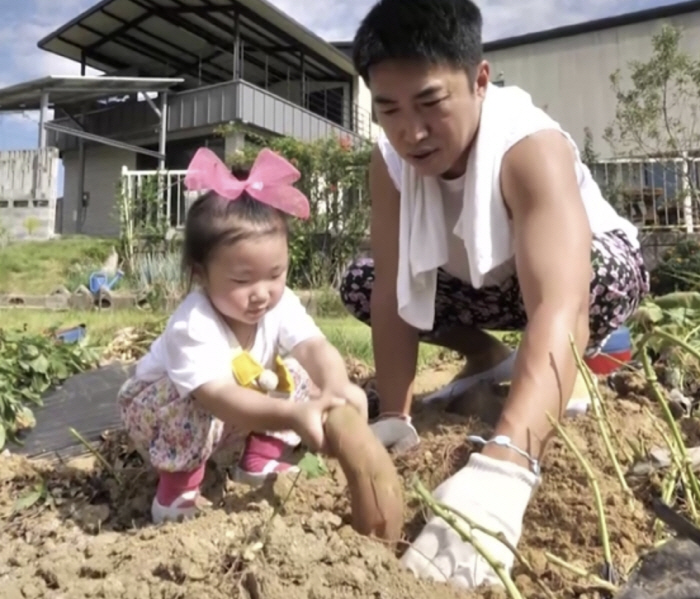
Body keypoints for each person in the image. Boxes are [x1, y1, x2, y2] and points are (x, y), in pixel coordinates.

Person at [341, 0, 649, 590]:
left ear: (480, 80)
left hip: (576, 280)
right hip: (486, 289)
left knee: (593, 281)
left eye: (431, 102)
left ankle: (576, 362)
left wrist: (505, 465)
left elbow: (561, 303)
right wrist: (394, 419)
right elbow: (394, 286)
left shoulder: (528, 145)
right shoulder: (389, 164)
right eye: (389, 110)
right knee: (362, 279)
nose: (411, 131)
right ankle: (486, 357)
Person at [118, 147, 368, 525]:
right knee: (191, 402)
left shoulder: (277, 306)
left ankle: (260, 459)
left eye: (275, 274)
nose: (262, 292)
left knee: (299, 374)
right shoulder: (194, 324)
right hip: (165, 414)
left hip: (234, 408)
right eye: (242, 280)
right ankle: (178, 486)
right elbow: (217, 397)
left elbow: (314, 346)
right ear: (201, 274)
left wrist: (335, 385)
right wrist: (293, 415)